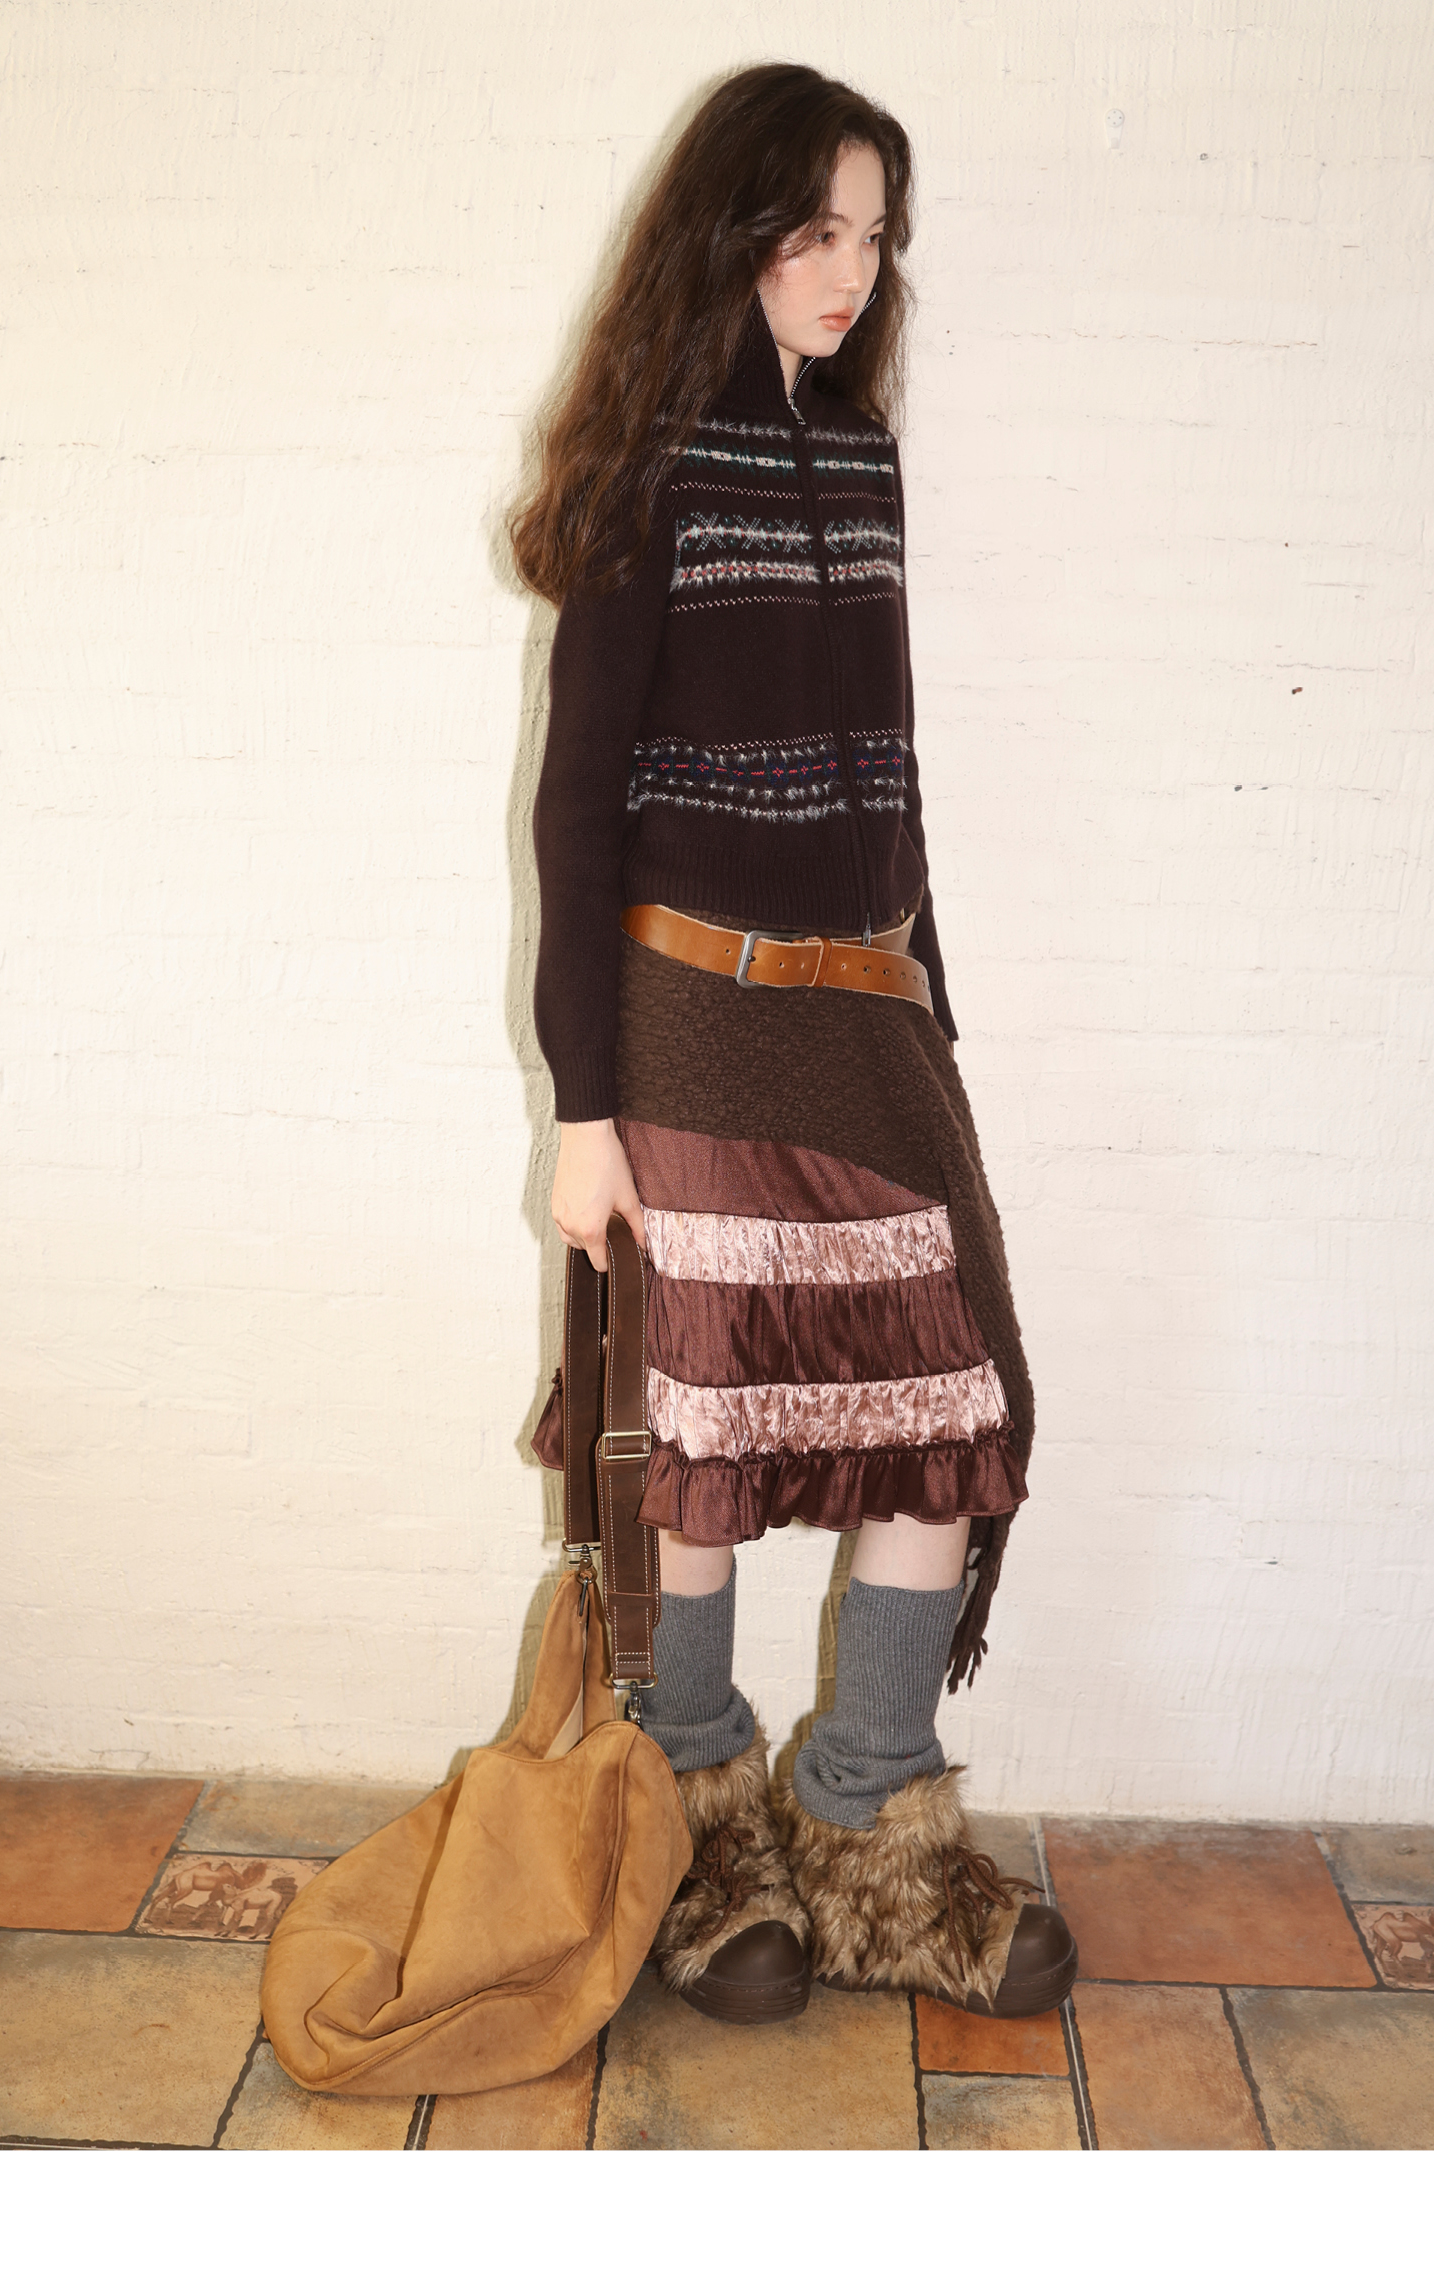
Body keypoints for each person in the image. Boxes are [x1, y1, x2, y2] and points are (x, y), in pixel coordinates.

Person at [514, 63, 1077, 2027]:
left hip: (865, 1011)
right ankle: (700, 1836)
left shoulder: (860, 457)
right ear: (733, 228)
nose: (854, 271)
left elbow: (893, 779)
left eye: (876, 236)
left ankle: (867, 1833)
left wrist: (937, 1013)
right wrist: (583, 1110)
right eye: (819, 228)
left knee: (944, 1412)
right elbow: (573, 817)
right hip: (687, 1013)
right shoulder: (650, 470)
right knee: (705, 1437)